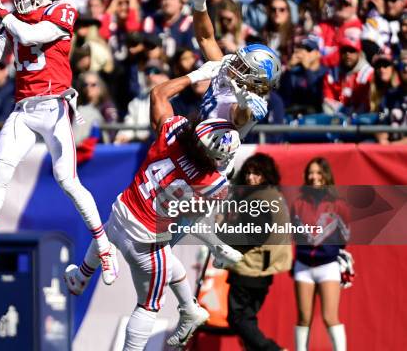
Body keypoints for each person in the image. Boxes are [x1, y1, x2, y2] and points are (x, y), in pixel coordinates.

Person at [0, 0, 119, 283]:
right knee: (1, 171)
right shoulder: (15, 20)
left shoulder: (63, 10)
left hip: (55, 106)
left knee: (67, 179)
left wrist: (0, 11)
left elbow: (32, 34)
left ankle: (103, 246)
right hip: (23, 108)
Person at [65, 70, 244, 350]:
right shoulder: (214, 184)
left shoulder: (172, 132)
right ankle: (186, 312)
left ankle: (82, 277)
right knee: (148, 305)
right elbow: (190, 220)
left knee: (109, 236)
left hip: (122, 213)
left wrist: (196, 75)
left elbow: (158, 93)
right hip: (146, 242)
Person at [183, 0, 282, 141]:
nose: (235, 63)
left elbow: (238, 118)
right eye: (239, 59)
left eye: (243, 65)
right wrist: (200, 7)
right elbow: (206, 39)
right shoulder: (227, 69)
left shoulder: (250, 100)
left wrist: (243, 107)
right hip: (195, 145)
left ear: (255, 80)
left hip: (214, 161)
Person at [222, 153, 292, 351]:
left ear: (266, 175)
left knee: (237, 318)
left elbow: (251, 237)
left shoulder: (258, 199)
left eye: (257, 174)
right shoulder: (274, 195)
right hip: (264, 269)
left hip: (250, 269)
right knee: (248, 320)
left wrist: (220, 232)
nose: (250, 178)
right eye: (248, 173)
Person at [291, 157, 350, 351]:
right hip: (303, 266)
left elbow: (344, 235)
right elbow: (294, 233)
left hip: (328, 266)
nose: (314, 177)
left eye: (318, 172)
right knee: (303, 318)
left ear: (326, 176)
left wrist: (330, 251)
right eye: (311, 172)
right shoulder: (298, 203)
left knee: (329, 317)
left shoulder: (338, 204)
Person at [114, 60, 170, 144]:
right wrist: (123, 136)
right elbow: (129, 125)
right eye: (147, 72)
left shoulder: (175, 98)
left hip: (165, 145)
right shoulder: (136, 102)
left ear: (165, 76)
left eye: (155, 71)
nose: (150, 75)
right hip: (141, 146)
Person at [322, 30, 374, 114]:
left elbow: (368, 103)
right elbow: (328, 99)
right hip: (337, 119)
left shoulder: (368, 73)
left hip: (360, 120)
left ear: (359, 53)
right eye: (344, 51)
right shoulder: (332, 73)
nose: (347, 54)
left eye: (352, 50)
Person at [314, 0, 363, 68]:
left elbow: (342, 56)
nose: (342, 6)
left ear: (355, 8)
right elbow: (310, 45)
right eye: (339, 2)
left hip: (338, 72)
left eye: (346, 3)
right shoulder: (324, 25)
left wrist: (317, 61)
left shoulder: (357, 28)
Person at [280, 35, 326, 114]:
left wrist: (307, 68)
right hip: (294, 114)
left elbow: (316, 95)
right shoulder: (295, 72)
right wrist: (288, 68)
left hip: (316, 115)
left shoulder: (325, 73)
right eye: (302, 49)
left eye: (308, 49)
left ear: (318, 54)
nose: (304, 53)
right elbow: (284, 95)